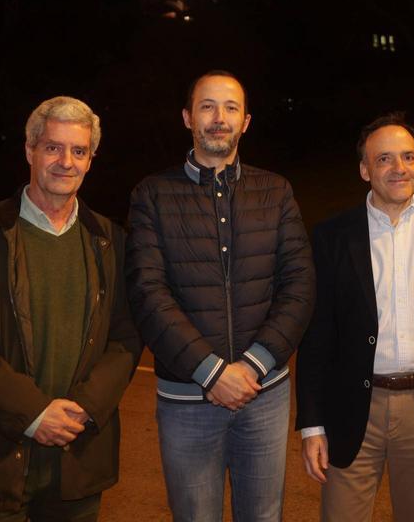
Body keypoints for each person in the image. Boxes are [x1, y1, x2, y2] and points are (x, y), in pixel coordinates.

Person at [0, 96, 141, 521]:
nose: (66, 161)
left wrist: (85, 407)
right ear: (30, 151)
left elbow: (126, 337)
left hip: (77, 465)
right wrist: (32, 413)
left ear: (90, 160)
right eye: (53, 147)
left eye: (78, 151)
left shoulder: (111, 241)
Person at [125, 70, 314, 522]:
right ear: (188, 117)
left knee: (264, 516)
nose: (218, 118)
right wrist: (211, 373)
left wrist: (251, 366)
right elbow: (147, 292)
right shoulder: (152, 194)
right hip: (187, 400)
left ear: (245, 121)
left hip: (263, 395)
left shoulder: (276, 191)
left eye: (230, 108)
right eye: (207, 106)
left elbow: (300, 285)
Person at [295, 113, 414, 521]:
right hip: (351, 406)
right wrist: (311, 425)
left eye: (409, 157)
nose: (399, 168)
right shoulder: (332, 236)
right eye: (384, 159)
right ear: (364, 169)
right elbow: (317, 334)